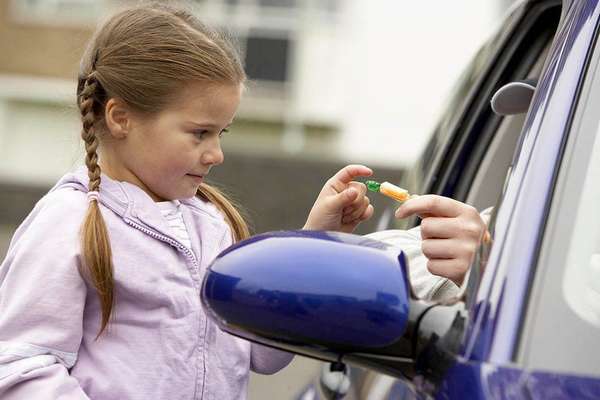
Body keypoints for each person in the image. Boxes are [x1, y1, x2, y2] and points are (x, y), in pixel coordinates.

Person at [0, 4, 375, 400]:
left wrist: (316, 243)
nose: (216, 153)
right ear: (120, 118)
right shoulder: (69, 223)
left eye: (221, 133)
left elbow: (263, 353)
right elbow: (22, 366)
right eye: (200, 133)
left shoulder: (213, 225)